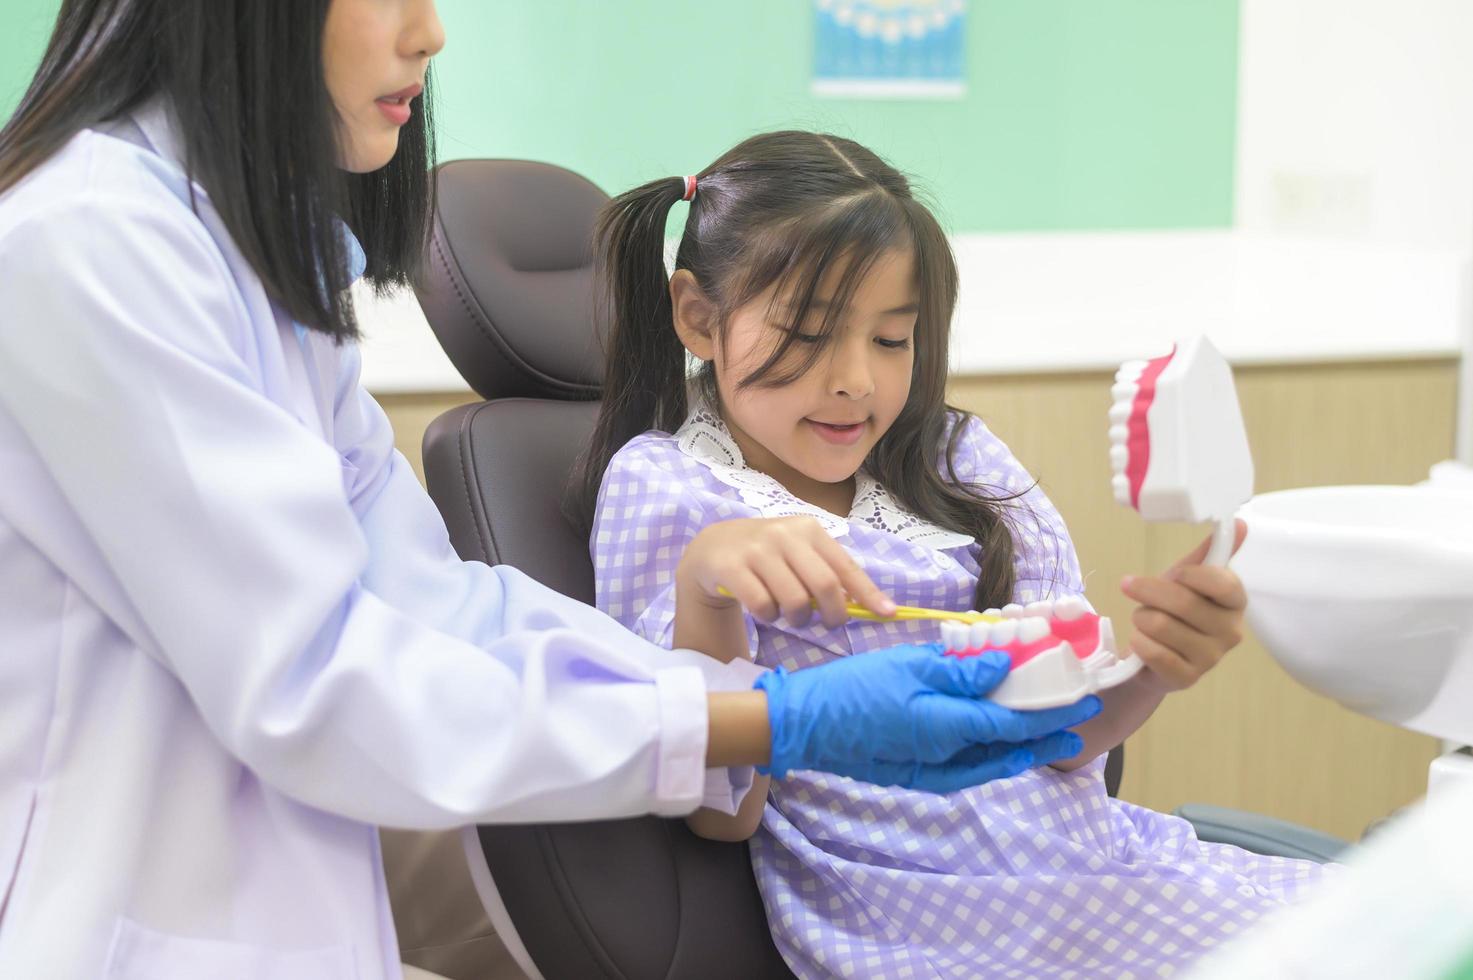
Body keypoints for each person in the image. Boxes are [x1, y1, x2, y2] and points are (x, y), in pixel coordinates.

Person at [0, 3, 1102, 978]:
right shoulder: (87, 245)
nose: (430, 31)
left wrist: (738, 717)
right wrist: (768, 714)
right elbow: (319, 679)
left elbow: (441, 607)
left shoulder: (258, 270)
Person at [582, 130, 1337, 978]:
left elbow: (1069, 737)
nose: (856, 380)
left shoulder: (958, 460)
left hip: (1093, 870)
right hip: (925, 922)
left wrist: (1156, 666)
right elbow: (720, 815)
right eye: (810, 332)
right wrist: (708, 588)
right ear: (698, 316)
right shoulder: (669, 492)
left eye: (891, 340)